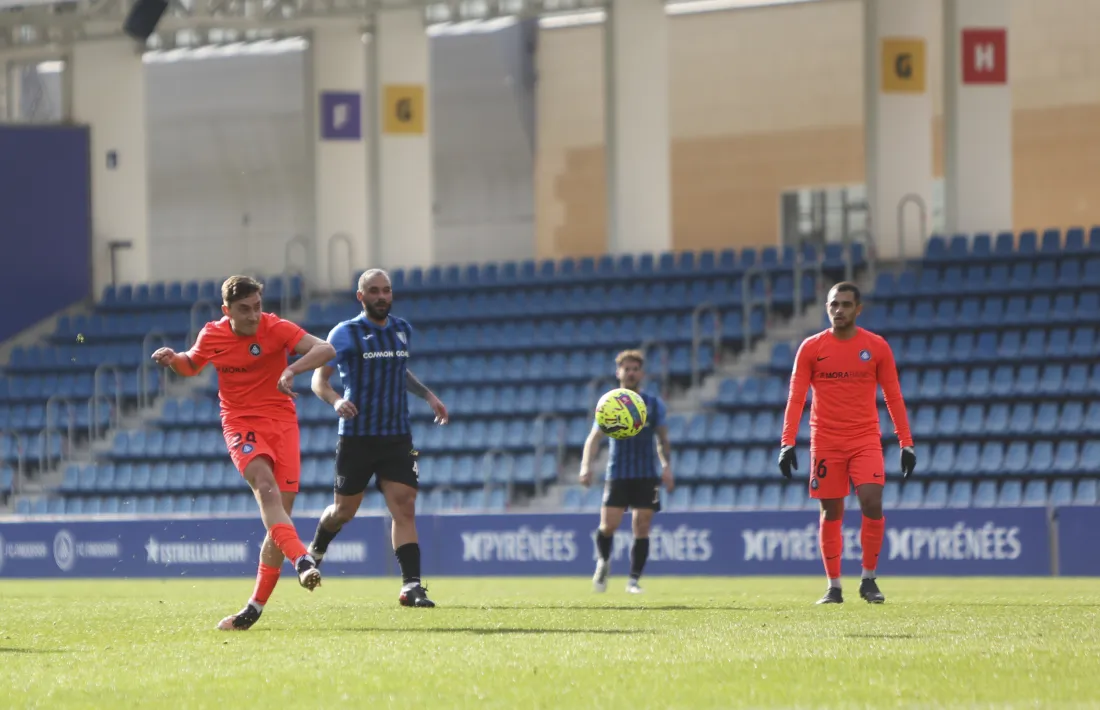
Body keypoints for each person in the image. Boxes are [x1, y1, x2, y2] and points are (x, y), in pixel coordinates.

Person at [150, 275, 337, 630]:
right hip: (240, 423)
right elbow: (192, 364)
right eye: (244, 310)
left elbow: (326, 349)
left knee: (278, 520)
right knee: (265, 488)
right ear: (227, 310)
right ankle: (303, 562)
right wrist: (174, 359)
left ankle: (252, 610)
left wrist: (292, 368)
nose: (253, 316)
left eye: (257, 307)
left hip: (282, 425)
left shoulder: (275, 327)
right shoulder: (213, 335)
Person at [307, 268, 449, 608]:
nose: (382, 296)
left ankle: (411, 586)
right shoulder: (345, 333)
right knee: (344, 512)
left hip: (396, 436)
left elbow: (398, 371)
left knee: (405, 506)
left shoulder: (401, 330)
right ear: (361, 296)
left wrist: (428, 395)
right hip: (357, 438)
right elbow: (319, 381)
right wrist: (337, 400)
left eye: (386, 290)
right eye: (374, 291)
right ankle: (316, 549)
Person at [778, 281, 916, 605]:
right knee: (831, 510)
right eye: (833, 304)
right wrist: (787, 442)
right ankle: (834, 586)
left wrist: (906, 443)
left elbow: (893, 396)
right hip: (825, 440)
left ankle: (869, 579)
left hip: (865, 438)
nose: (838, 310)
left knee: (871, 501)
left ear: (858, 309)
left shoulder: (876, 347)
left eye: (845, 304)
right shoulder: (811, 348)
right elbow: (796, 398)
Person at [579, 350, 674, 594]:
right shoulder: (609, 404)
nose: (630, 373)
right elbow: (594, 438)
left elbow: (662, 439)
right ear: (618, 372)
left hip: (646, 474)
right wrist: (586, 466)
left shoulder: (653, 404)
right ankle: (603, 561)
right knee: (608, 525)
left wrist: (666, 466)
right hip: (617, 472)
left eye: (635, 369)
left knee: (641, 526)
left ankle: (633, 580)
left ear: (641, 373)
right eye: (626, 369)